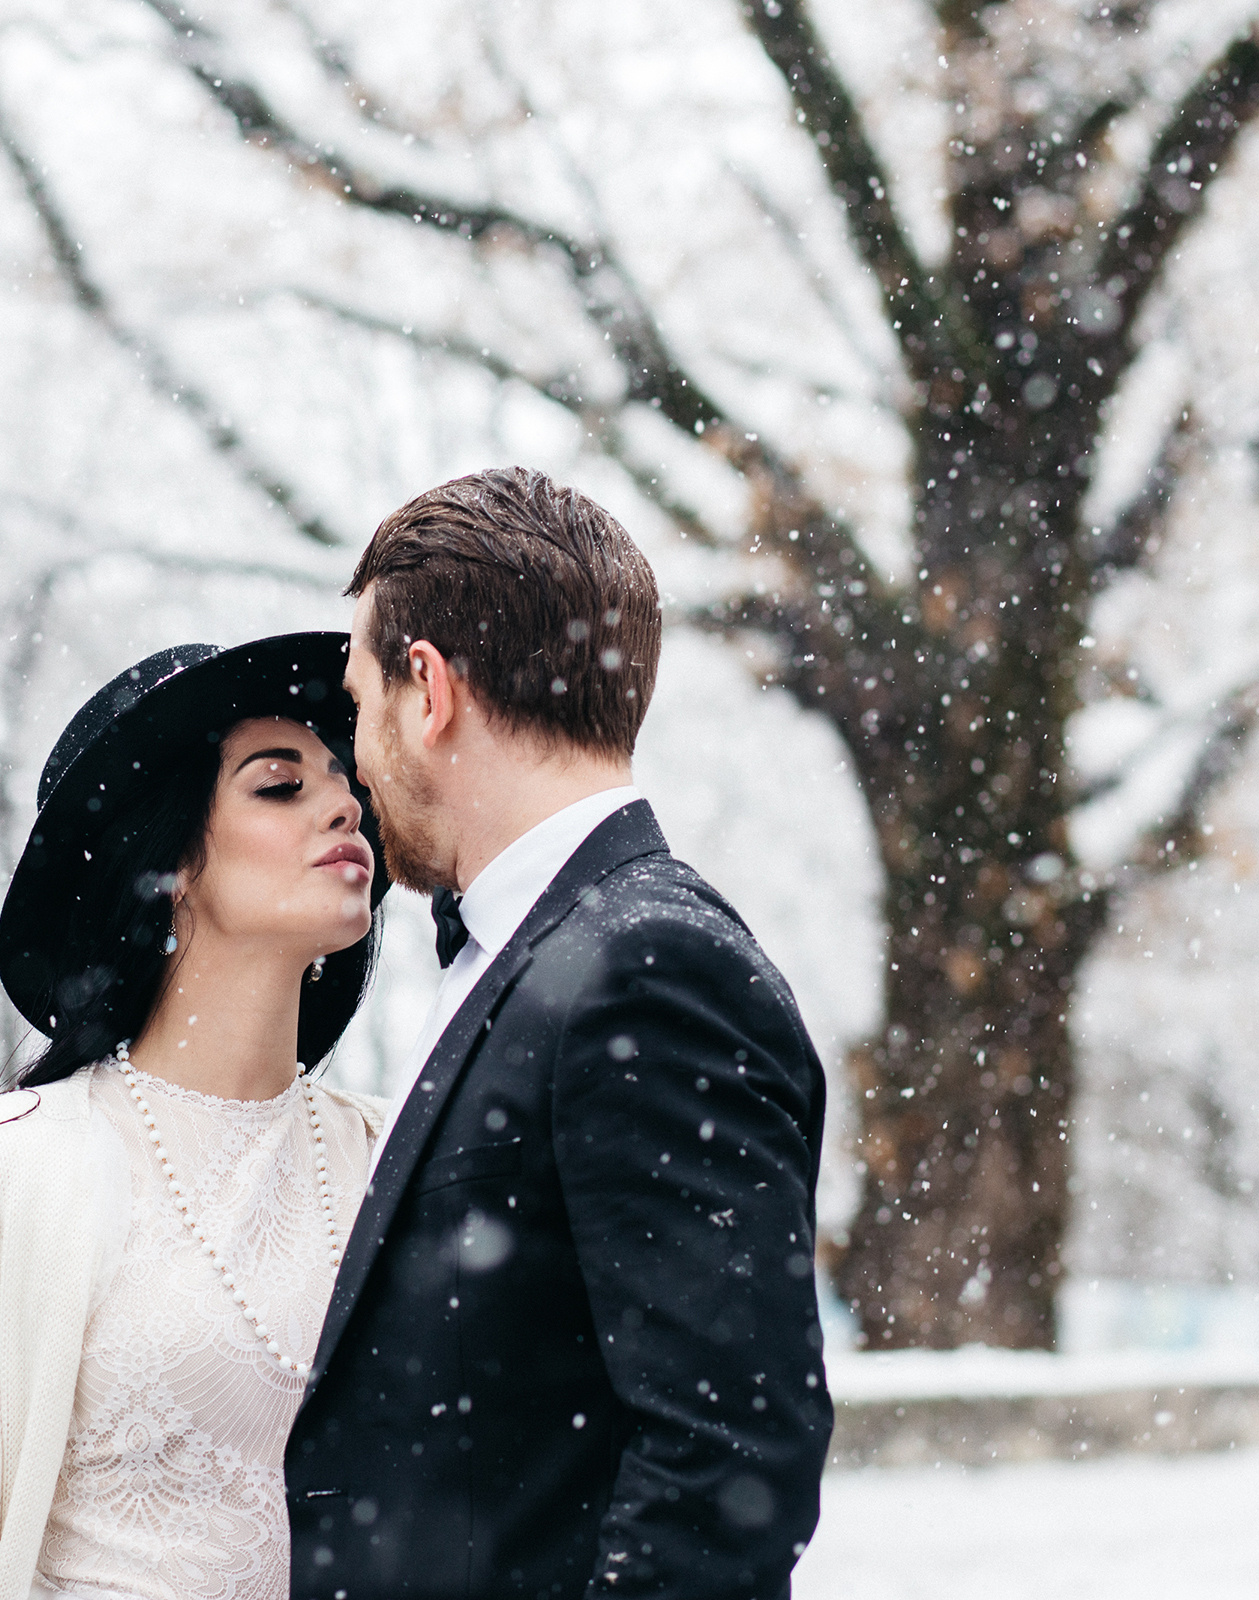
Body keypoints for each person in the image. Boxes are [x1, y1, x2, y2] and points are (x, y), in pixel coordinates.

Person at [287, 468, 832, 1598]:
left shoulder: (651, 971)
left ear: (426, 689)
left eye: (357, 702)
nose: (354, 758)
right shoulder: (536, 950)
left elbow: (729, 1461)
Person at [0, 633, 393, 1600]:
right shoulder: (12, 1170)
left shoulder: (401, 1157)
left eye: (344, 778)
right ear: (170, 865)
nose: (346, 801)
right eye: (280, 785)